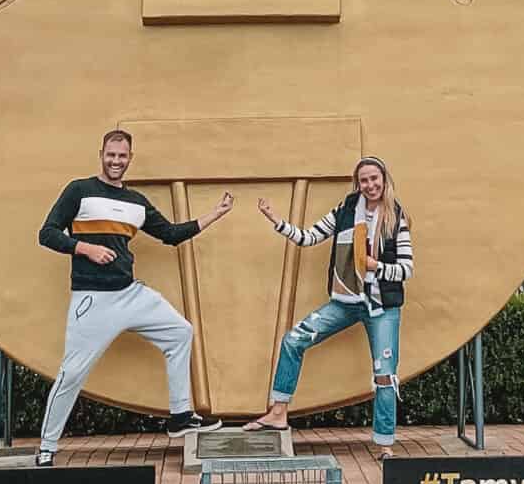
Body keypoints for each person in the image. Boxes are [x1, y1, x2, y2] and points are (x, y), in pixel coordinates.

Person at [34, 127, 232, 465]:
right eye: (111, 155)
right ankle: (47, 448)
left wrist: (214, 214)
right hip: (92, 299)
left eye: (122, 156)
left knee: (179, 332)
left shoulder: (136, 203)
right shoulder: (79, 191)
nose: (116, 161)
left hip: (130, 294)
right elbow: (47, 233)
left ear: (130, 159)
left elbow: (170, 234)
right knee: (72, 373)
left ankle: (180, 416)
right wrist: (84, 248)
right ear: (101, 155)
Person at [247, 156, 412, 448]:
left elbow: (406, 269)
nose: (370, 185)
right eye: (364, 180)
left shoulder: (397, 217)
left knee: (385, 376)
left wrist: (376, 267)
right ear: (357, 183)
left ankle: (385, 444)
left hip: (382, 306)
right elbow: (309, 237)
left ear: (384, 179)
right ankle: (278, 412)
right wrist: (276, 220)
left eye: (375, 178)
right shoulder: (346, 209)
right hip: (347, 300)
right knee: (293, 340)